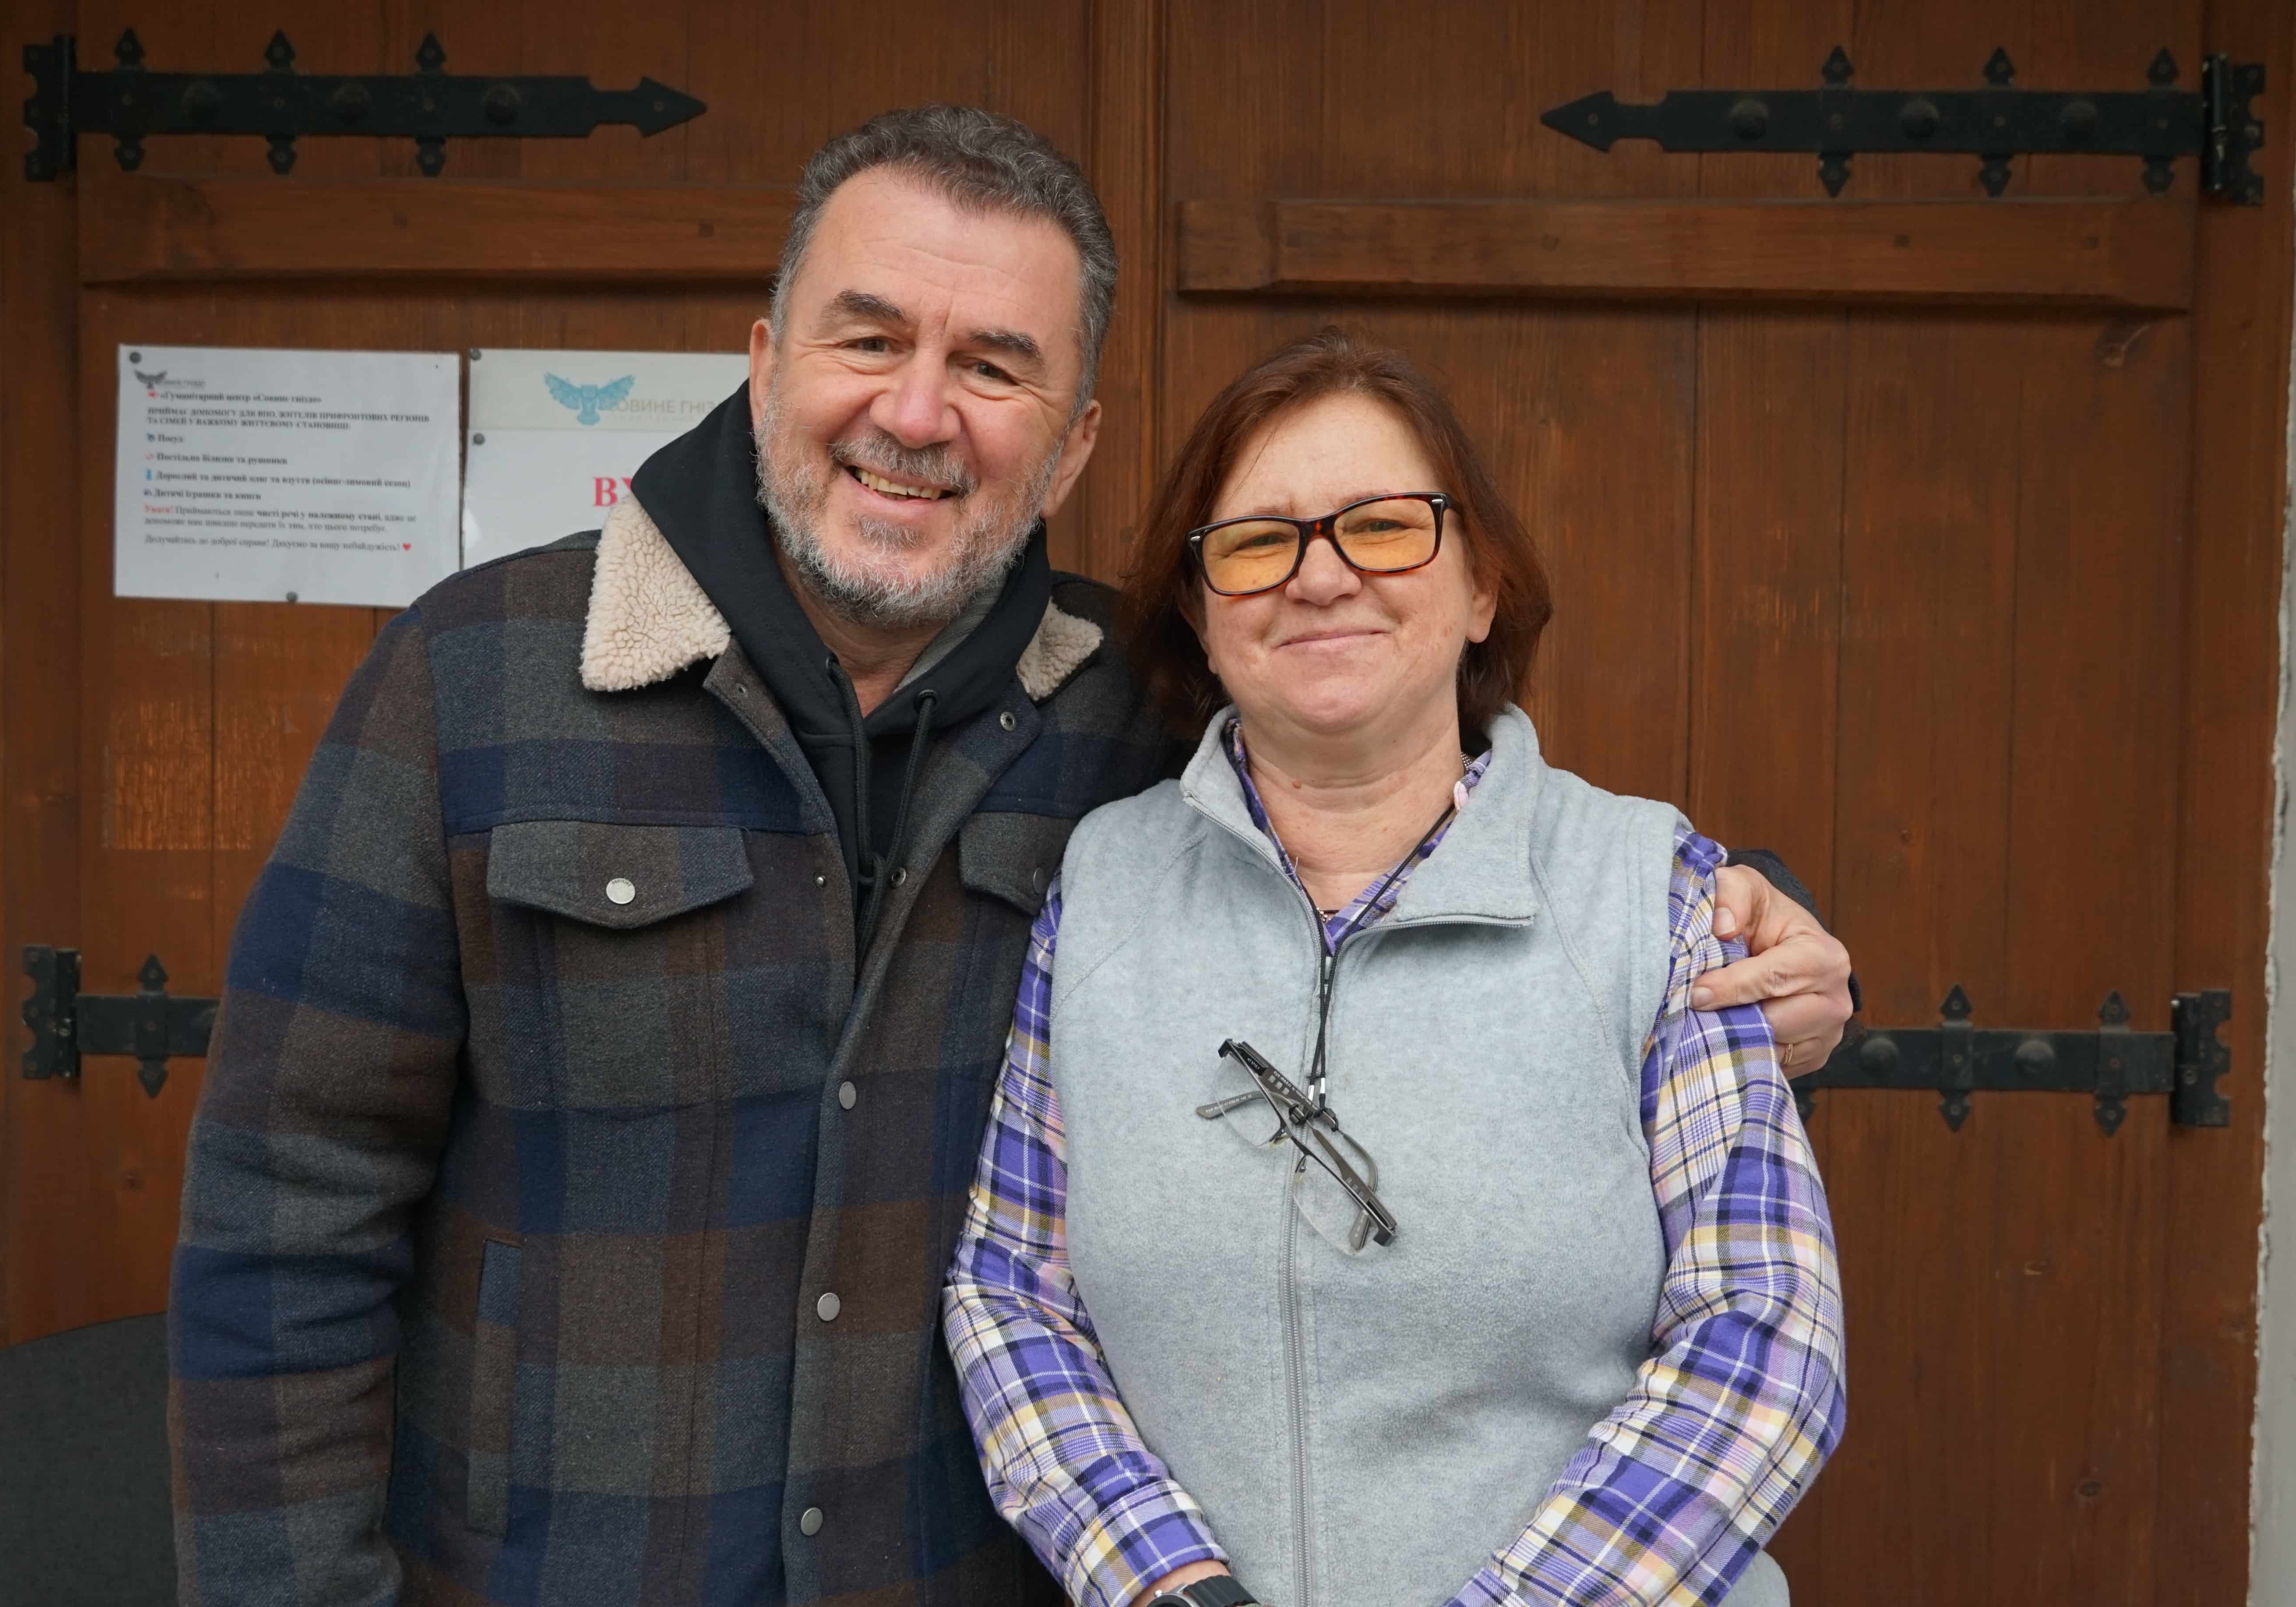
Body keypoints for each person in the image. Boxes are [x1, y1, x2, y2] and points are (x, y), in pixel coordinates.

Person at [167, 109, 1851, 1607]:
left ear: (1074, 439)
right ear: (762, 359)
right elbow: (288, 1204)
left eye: (992, 366)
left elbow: (1388, 770)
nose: (916, 412)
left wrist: (1731, 909)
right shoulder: (476, 679)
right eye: (868, 338)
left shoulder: (1129, 712)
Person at [945, 331, 1846, 1607]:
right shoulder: (1102, 888)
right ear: (1200, 613)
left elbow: (1764, 1334)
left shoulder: (1657, 894)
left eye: (1382, 527)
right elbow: (1012, 1294)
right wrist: (1168, 1587)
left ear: (1482, 588)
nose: (1320, 577)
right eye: (1256, 541)